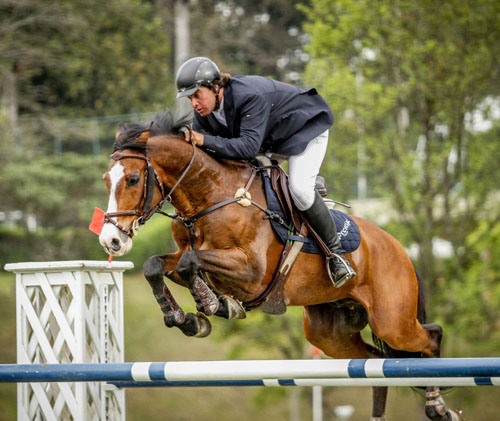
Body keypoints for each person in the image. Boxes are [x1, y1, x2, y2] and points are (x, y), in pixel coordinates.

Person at [175, 56, 355, 287]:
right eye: (189, 98)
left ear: (216, 86)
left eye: (197, 95)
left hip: (305, 130)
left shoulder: (249, 95)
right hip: (270, 141)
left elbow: (247, 147)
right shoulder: (204, 115)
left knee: (299, 189)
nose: (194, 104)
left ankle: (336, 255)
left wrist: (202, 139)